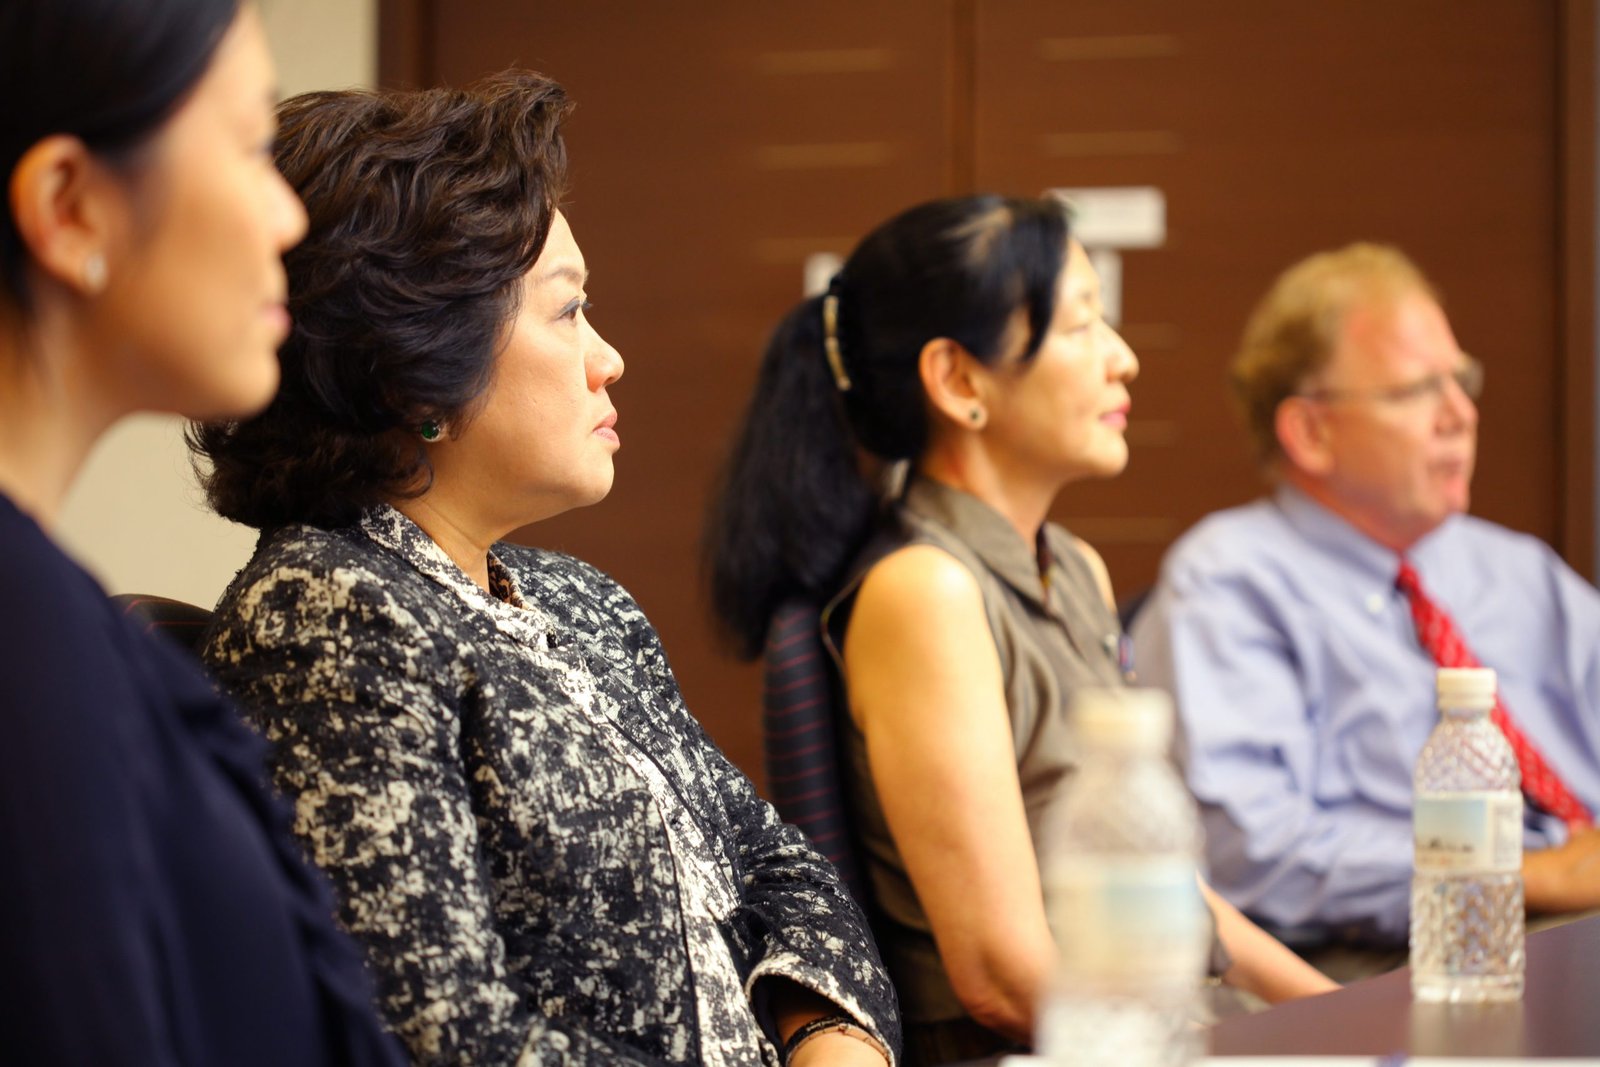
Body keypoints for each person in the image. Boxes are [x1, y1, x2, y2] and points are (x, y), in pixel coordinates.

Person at [191, 73, 899, 1067]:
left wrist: (828, 1032)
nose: (608, 358)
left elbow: (778, 863)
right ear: (414, 364)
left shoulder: (582, 600)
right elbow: (444, 1037)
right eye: (567, 313)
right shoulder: (325, 613)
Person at [706, 195, 1335, 1065]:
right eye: (1081, 327)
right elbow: (1002, 975)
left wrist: (1355, 1018)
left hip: (1168, 1027)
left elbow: (1173, 896)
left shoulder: (1074, 565)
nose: (1124, 358)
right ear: (959, 382)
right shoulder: (924, 590)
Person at [0, 1, 406, 1063]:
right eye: (248, 150)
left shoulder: (55, 616)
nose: (288, 218)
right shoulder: (25, 639)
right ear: (70, 207)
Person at [1129, 243, 1600, 974]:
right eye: (1417, 389)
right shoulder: (1232, 579)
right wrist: (1520, 870)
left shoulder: (1516, 568)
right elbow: (1250, 850)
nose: (1461, 414)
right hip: (1404, 957)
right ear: (1310, 432)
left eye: (1461, 379)